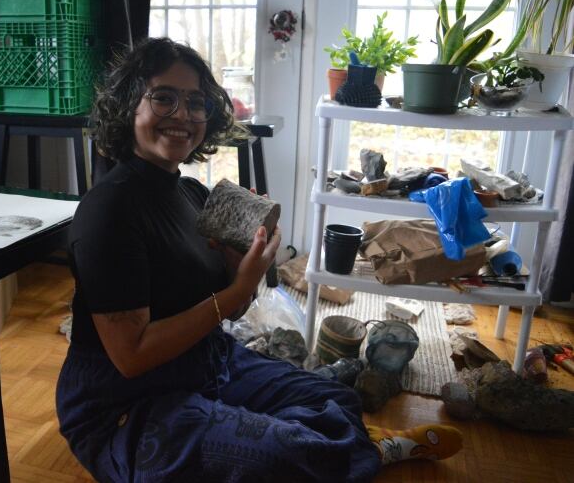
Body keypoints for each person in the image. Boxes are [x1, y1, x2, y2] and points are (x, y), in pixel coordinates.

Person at [56, 37, 463, 482]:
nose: (182, 116)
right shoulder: (108, 210)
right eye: (163, 98)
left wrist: (238, 270)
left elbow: (225, 302)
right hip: (126, 407)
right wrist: (237, 290)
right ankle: (367, 451)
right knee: (281, 453)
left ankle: (348, 448)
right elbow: (131, 356)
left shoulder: (192, 194)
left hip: (206, 364)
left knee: (335, 397)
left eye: (195, 103)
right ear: (129, 104)